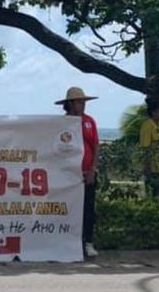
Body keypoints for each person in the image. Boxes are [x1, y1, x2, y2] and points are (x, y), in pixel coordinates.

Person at [56, 87, 100, 258]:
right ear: (70, 104)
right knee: (66, 209)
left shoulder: (89, 121)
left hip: (85, 173)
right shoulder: (62, 123)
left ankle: (88, 242)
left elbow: (96, 146)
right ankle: (66, 241)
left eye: (83, 102)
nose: (82, 105)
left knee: (88, 209)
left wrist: (92, 170)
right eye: (79, 102)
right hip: (67, 174)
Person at [139, 96, 159, 197]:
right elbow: (146, 147)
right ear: (154, 112)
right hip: (153, 167)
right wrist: (147, 167)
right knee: (153, 194)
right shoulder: (147, 125)